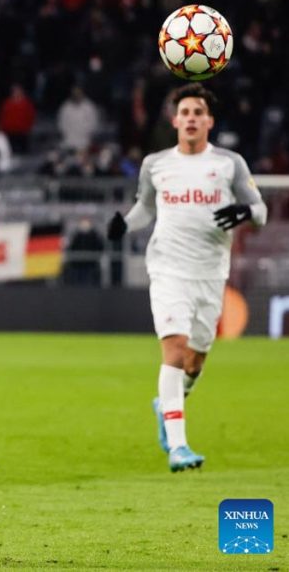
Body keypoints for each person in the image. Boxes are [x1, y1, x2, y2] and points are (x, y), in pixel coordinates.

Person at [106, 83, 267, 473]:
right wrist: (124, 226)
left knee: (193, 363)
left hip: (211, 272)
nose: (192, 118)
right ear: (175, 120)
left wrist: (245, 215)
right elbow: (146, 208)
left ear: (209, 121)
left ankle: (167, 403)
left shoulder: (230, 163)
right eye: (186, 112)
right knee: (174, 350)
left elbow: (260, 210)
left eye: (199, 113)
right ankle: (179, 447)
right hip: (167, 268)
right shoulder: (156, 164)